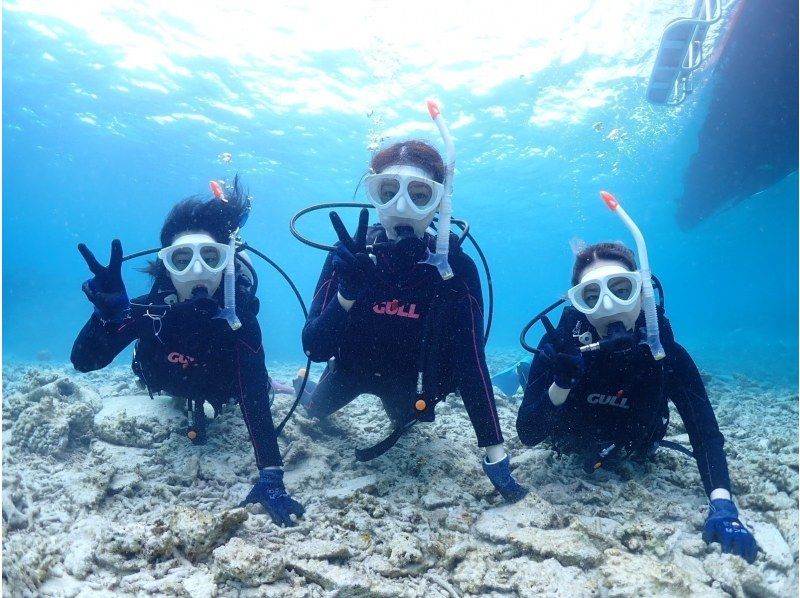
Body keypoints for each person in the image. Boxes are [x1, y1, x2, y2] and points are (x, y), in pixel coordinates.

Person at [299, 139, 527, 503]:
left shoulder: (455, 269)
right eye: (387, 192)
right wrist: (346, 293)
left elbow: (471, 363)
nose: (401, 207)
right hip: (349, 371)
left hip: (414, 386)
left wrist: (495, 455)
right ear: (374, 196)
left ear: (440, 203)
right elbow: (315, 347)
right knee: (313, 416)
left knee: (411, 424)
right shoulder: (351, 258)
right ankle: (300, 387)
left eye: (420, 195)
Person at [70, 177, 304, 527]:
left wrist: (270, 476)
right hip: (169, 385)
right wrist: (104, 319)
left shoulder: (239, 319)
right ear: (167, 265)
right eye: (182, 259)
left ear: (227, 261)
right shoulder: (149, 310)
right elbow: (84, 362)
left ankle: (277, 381)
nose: (197, 271)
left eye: (211, 257)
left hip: (225, 392)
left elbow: (252, 398)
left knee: (261, 391)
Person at [515, 241, 758, 562]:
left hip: (635, 446)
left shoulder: (666, 355)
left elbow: (705, 434)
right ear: (579, 304)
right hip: (572, 441)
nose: (608, 305)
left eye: (621, 289)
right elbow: (529, 434)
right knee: (534, 380)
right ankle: (521, 374)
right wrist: (560, 383)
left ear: (642, 292)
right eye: (591, 295)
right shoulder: (559, 349)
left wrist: (723, 506)